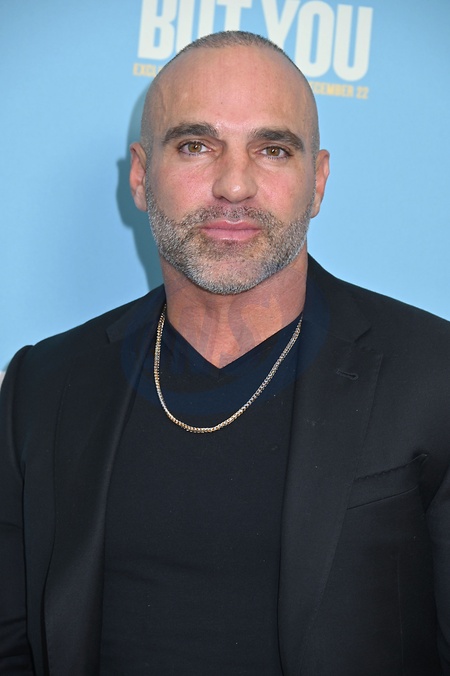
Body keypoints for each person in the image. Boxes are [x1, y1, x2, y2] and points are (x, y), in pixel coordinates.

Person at [0, 30, 449, 676]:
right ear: (140, 176)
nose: (234, 186)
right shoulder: (43, 386)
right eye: (196, 145)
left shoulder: (433, 375)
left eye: (272, 149)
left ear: (317, 182)